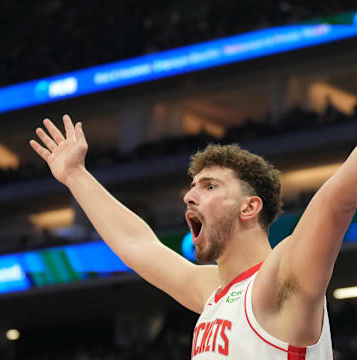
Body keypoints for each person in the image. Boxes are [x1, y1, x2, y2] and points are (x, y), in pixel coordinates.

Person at [30, 114, 354, 359]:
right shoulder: (212, 291)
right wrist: (75, 175)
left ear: (249, 207)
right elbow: (138, 245)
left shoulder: (281, 276)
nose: (188, 196)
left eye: (210, 186)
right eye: (192, 186)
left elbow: (336, 201)